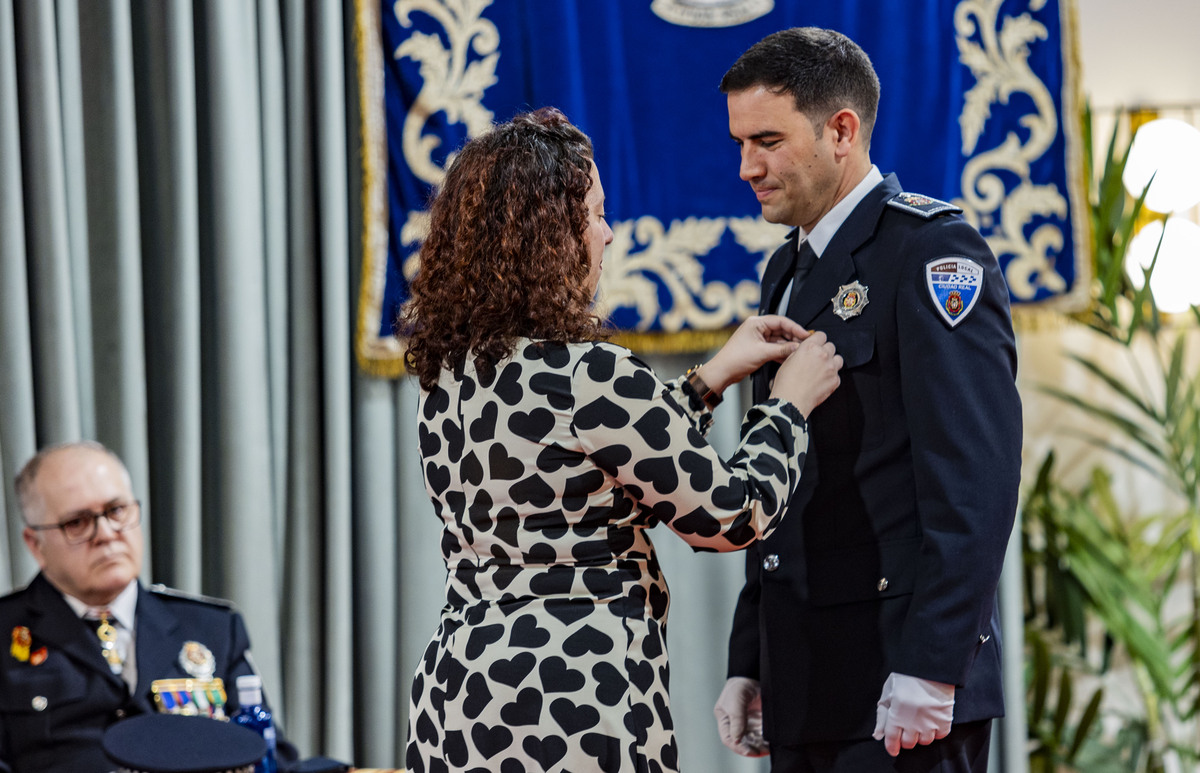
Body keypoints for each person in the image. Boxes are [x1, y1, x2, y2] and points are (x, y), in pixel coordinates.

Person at [399, 106, 843, 772]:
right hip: (572, 694)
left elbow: (592, 463)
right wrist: (788, 406)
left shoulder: (450, 373)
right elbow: (727, 514)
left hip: (459, 689)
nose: (608, 234)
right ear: (551, 236)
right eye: (597, 213)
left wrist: (712, 377)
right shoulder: (589, 373)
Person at [713, 28, 1023, 773]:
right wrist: (752, 653)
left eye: (767, 140)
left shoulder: (930, 253)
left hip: (903, 685)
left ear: (841, 130)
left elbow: (974, 483)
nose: (747, 166)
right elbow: (788, 492)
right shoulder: (786, 271)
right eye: (740, 142)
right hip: (809, 676)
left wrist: (935, 663)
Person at [0, 441, 297, 773]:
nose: (107, 534)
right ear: (34, 544)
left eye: (116, 511)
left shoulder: (212, 628)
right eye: (77, 523)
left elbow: (268, 755)